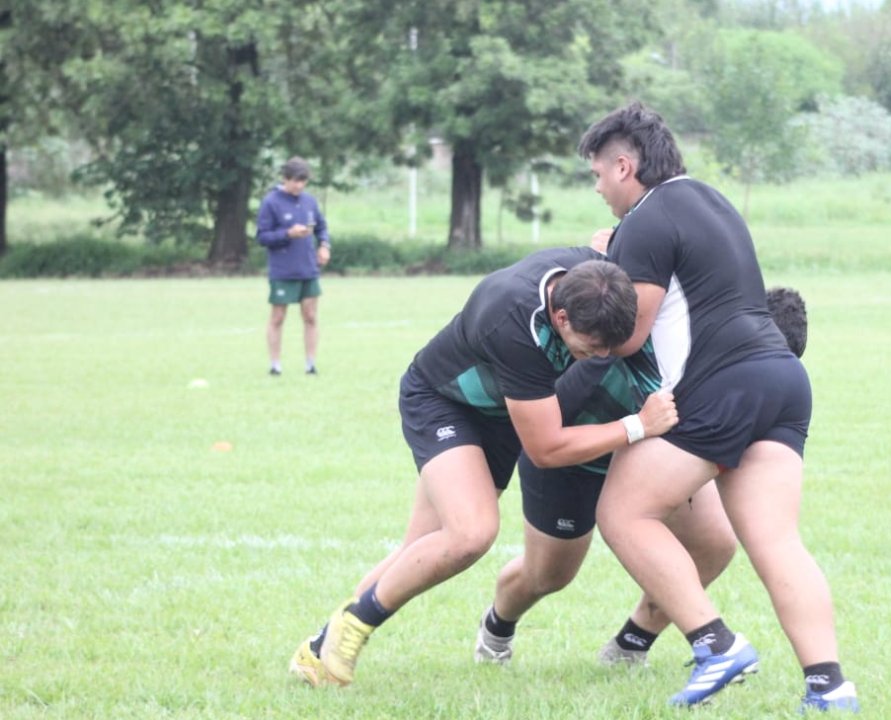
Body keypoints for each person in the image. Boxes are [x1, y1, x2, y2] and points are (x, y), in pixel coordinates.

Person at [287, 247, 679, 687]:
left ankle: (320, 648)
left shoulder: (592, 274)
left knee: (419, 549)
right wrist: (636, 426)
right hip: (445, 402)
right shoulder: (514, 324)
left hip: (502, 412)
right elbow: (546, 449)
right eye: (593, 347)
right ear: (563, 318)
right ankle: (354, 627)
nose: (604, 354)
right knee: (470, 533)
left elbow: (621, 245)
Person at [581, 103, 859, 713]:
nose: (599, 187)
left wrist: (604, 264)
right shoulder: (713, 200)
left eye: (599, 174)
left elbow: (627, 335)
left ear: (625, 166)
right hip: (783, 378)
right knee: (778, 541)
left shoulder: (646, 219)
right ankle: (829, 685)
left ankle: (716, 645)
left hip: (722, 383)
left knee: (624, 511)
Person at [473, 287, 810, 669]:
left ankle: (630, 646)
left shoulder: (740, 384)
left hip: (649, 458)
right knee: (548, 575)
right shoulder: (646, 341)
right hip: (572, 458)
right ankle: (498, 625)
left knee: (713, 544)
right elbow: (548, 434)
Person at [256, 157, 332, 376]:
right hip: (282, 270)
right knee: (278, 317)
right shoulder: (271, 202)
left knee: (310, 316)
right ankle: (275, 365)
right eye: (295, 181)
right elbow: (262, 236)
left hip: (308, 268)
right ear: (285, 178)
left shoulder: (309, 201)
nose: (299, 186)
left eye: (303, 181)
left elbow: (322, 228)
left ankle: (310, 364)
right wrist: (287, 234)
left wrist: (324, 246)